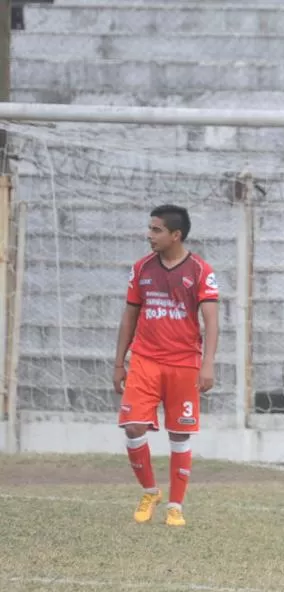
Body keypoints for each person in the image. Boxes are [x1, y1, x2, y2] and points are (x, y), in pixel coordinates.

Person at [114, 204, 219, 528]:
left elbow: (211, 321)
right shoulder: (142, 268)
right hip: (145, 359)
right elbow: (130, 315)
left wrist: (207, 365)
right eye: (150, 229)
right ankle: (150, 491)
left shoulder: (200, 270)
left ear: (176, 235)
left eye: (156, 230)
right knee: (133, 426)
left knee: (179, 434)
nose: (149, 235)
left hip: (184, 362)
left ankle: (175, 505)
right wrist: (120, 362)